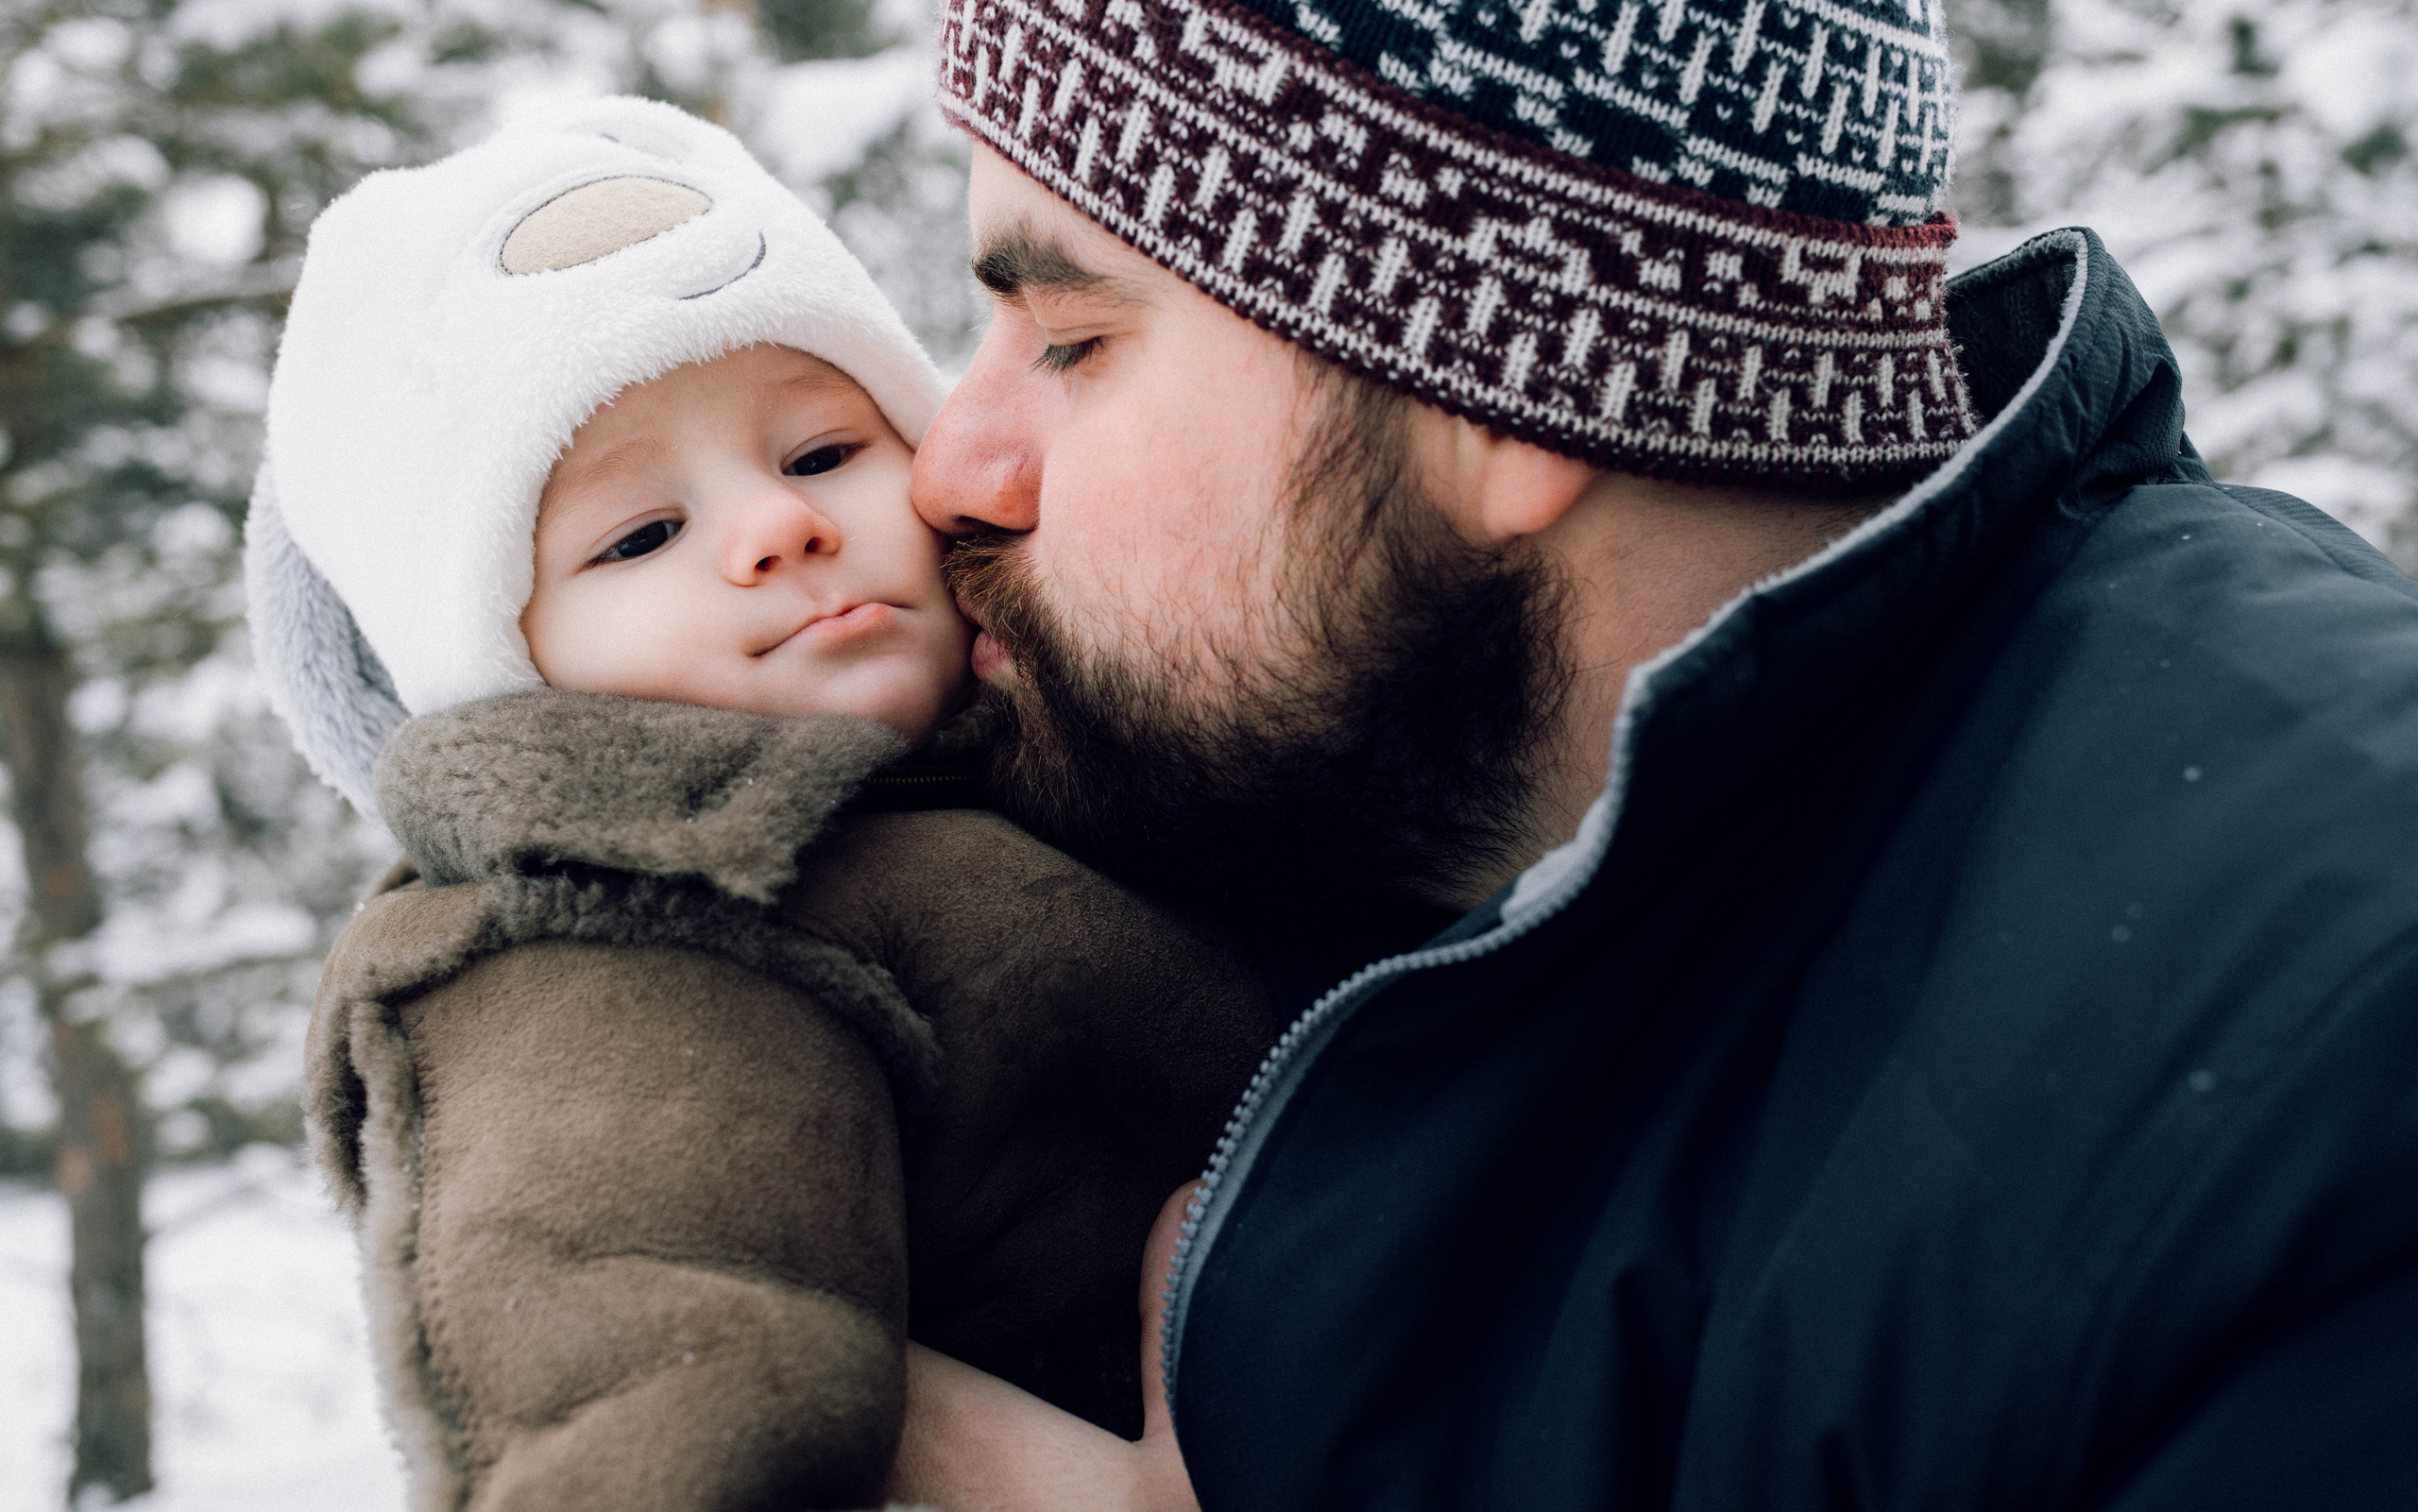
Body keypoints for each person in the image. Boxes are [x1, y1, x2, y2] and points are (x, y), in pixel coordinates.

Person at [877, 0, 2418, 1504]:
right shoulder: (1348, 799)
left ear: (1502, 350)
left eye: (1073, 338)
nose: (954, 463)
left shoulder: (2325, 1062)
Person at [247, 95, 1279, 1510]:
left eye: (820, 454)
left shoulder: (1073, 747)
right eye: (643, 534)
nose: (777, 527)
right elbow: (644, 1348)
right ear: (501, 658)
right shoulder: (614, 934)